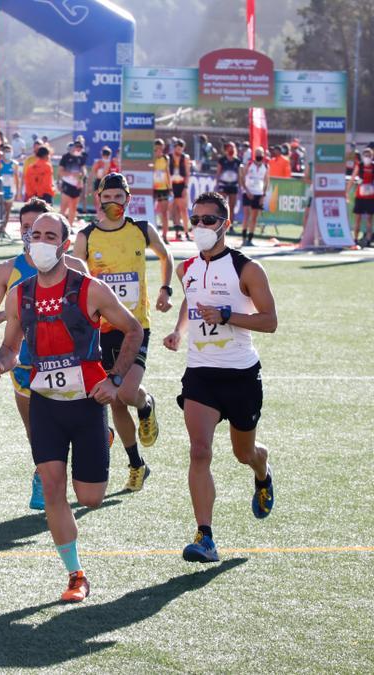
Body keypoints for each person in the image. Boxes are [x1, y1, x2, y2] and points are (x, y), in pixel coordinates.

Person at [0, 212, 142, 603]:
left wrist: (116, 379)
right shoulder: (19, 294)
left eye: (49, 235)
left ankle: (103, 438)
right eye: (34, 234)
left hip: (88, 404)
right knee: (53, 488)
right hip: (45, 405)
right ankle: (75, 575)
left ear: (65, 243)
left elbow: (133, 330)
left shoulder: (91, 289)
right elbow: (10, 344)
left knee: (89, 497)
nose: (40, 241)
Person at [163, 191, 277, 563]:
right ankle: (205, 536)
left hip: (241, 375)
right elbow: (189, 300)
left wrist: (228, 315)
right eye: (195, 220)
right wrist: (180, 331)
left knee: (244, 453)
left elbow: (270, 321)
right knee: (199, 451)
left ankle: (262, 472)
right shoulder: (186, 268)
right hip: (201, 374)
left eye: (208, 220)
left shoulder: (248, 268)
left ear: (225, 224)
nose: (200, 227)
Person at [0, 198, 90, 511]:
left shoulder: (75, 267)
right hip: (25, 363)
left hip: (68, 364)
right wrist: (16, 314)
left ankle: (88, 444)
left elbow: (94, 314)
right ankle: (43, 476)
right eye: (28, 229)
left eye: (41, 230)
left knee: (69, 427)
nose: (34, 235)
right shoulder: (7, 270)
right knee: (37, 433)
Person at [73, 173, 172, 492]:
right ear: (98, 199)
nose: (113, 202)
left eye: (119, 197)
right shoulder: (86, 236)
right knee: (112, 399)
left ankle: (145, 404)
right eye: (107, 197)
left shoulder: (141, 230)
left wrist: (166, 289)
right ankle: (136, 464)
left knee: (127, 393)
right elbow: (76, 276)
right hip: (99, 330)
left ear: (128, 199)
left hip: (135, 327)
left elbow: (166, 254)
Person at [239, 146, 269, 247]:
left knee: (254, 217)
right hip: (248, 192)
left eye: (260, 155)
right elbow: (242, 178)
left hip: (258, 193)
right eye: (257, 154)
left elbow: (266, 181)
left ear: (263, 156)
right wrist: (246, 191)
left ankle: (250, 239)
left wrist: (263, 195)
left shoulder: (266, 167)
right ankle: (243, 238)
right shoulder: (249, 164)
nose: (259, 156)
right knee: (247, 215)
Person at [169, 139, 192, 241]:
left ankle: (186, 231)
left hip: (181, 184)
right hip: (172, 184)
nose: (179, 151)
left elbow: (187, 173)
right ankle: (177, 231)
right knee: (175, 209)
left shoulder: (185, 158)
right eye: (177, 148)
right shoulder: (169, 157)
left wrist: (185, 187)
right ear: (174, 148)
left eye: (181, 149)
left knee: (183, 208)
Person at [58, 141, 87, 223]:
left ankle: (69, 227)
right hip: (67, 184)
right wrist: (71, 174)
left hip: (76, 186)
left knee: (73, 207)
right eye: (77, 146)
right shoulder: (66, 157)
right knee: (64, 207)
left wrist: (80, 180)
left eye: (80, 147)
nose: (78, 149)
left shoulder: (81, 158)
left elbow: (83, 171)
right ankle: (60, 226)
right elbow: (60, 172)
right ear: (73, 147)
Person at [351, 147, 374, 246]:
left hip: (371, 197)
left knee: (369, 219)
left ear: (372, 156)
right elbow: (352, 178)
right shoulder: (359, 166)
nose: (367, 157)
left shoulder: (373, 167)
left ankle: (368, 240)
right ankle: (355, 239)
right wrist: (346, 191)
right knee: (358, 219)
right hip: (360, 196)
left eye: (369, 155)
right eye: (365, 155)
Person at [215, 142, 242, 224]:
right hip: (223, 185)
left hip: (233, 186)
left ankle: (230, 225)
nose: (231, 149)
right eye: (230, 147)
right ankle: (220, 224)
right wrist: (217, 184)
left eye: (233, 147)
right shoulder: (222, 160)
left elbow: (239, 174)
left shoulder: (237, 161)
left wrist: (240, 186)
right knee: (222, 205)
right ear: (226, 149)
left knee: (232, 207)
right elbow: (218, 173)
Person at [152, 139, 172, 242]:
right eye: (156, 148)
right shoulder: (152, 158)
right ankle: (153, 234)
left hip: (163, 188)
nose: (159, 150)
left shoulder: (165, 158)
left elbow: (167, 172)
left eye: (161, 148)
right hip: (152, 188)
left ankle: (164, 235)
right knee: (152, 211)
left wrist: (170, 187)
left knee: (164, 212)